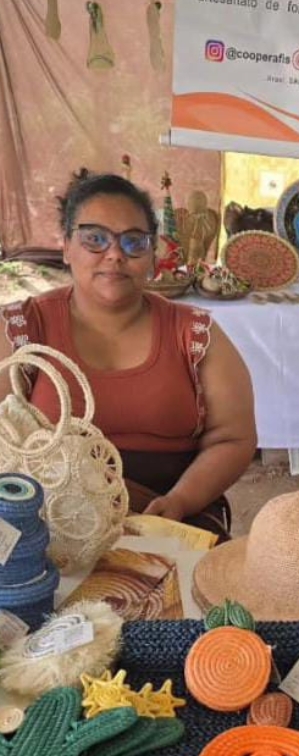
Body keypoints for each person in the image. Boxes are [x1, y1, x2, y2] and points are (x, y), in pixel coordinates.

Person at [0, 170, 257, 541]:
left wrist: (180, 501)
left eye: (134, 242)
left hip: (171, 520)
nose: (115, 255)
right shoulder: (22, 329)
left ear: (153, 255)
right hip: (49, 527)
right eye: (95, 239)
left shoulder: (194, 335)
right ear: (66, 248)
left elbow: (233, 437)